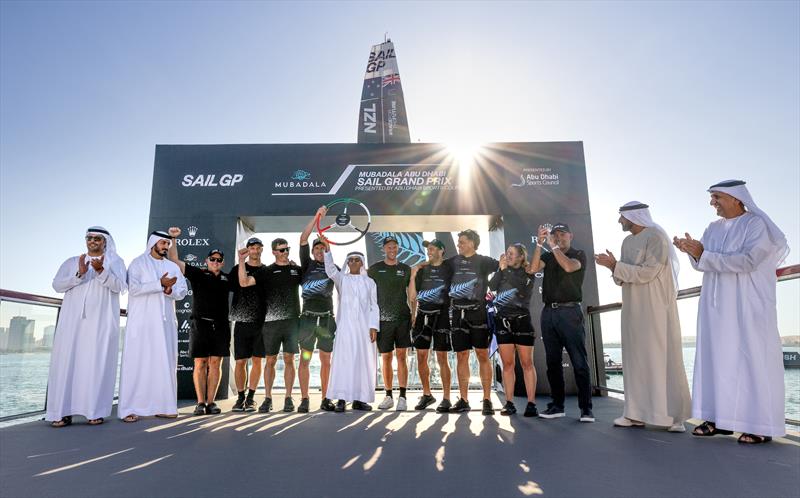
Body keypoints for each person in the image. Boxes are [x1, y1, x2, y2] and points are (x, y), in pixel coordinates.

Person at [674, 180, 788, 444]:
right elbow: (702, 263)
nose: (712, 203)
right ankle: (720, 419)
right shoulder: (712, 228)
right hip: (716, 306)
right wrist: (693, 252)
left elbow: (750, 260)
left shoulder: (756, 225)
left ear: (736, 199)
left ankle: (760, 425)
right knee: (718, 358)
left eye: (717, 197)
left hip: (748, 304)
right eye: (712, 198)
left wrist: (704, 254)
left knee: (753, 359)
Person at [595, 203, 691, 432]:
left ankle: (674, 416)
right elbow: (622, 276)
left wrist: (616, 265)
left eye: (622, 217)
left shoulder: (656, 237)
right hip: (632, 308)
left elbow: (649, 272)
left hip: (656, 307)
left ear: (633, 217)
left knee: (662, 356)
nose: (619, 221)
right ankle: (635, 414)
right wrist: (613, 268)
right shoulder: (627, 242)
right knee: (635, 358)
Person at [46, 227, 127, 427]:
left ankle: (94, 411)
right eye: (89, 238)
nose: (92, 241)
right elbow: (57, 285)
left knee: (95, 363)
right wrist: (78, 274)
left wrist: (101, 271)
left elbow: (121, 287)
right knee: (67, 363)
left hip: (101, 322)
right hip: (71, 323)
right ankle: (61, 412)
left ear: (105, 241)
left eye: (97, 238)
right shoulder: (72, 261)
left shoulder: (115, 262)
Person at [118, 231, 188, 422]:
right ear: (153, 243)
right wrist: (159, 283)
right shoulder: (138, 263)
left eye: (168, 243)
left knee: (164, 363)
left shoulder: (171, 266)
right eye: (163, 243)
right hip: (142, 323)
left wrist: (169, 289)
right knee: (137, 363)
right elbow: (133, 288)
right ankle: (129, 409)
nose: (166, 246)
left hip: (165, 324)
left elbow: (181, 291)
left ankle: (164, 406)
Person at [530, 223, 594, 422]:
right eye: (555, 234)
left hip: (570, 312)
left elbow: (568, 266)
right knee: (552, 363)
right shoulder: (548, 256)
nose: (558, 237)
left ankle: (586, 409)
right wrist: (540, 245)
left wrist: (554, 247)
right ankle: (557, 406)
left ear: (570, 235)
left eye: (562, 234)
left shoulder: (578, 254)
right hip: (549, 313)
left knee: (579, 362)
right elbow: (532, 269)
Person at [168, 227, 231, 416]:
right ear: (207, 261)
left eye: (219, 260)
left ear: (222, 263)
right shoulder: (197, 273)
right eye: (212, 259)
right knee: (201, 363)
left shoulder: (227, 279)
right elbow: (174, 262)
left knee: (215, 363)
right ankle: (200, 403)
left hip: (220, 325)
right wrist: (173, 238)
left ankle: (211, 402)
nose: (215, 262)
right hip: (200, 325)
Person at [240, 238, 301, 413]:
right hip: (271, 323)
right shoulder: (266, 271)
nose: (285, 253)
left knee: (289, 360)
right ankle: (267, 398)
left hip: (292, 322)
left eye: (287, 249)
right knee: (271, 361)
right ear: (274, 252)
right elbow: (244, 283)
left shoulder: (296, 270)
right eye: (281, 250)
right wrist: (241, 261)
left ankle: (288, 398)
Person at [445, 229, 499, 415]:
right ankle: (464, 400)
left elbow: (504, 268)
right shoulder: (452, 262)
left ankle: (487, 400)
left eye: (462, 241)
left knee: (482, 355)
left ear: (472, 243)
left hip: (478, 313)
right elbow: (436, 267)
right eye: (459, 241)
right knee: (461, 356)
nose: (458, 244)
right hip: (458, 314)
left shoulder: (484, 261)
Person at [323, 241, 379, 412]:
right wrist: (327, 251)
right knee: (343, 362)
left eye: (357, 260)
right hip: (345, 329)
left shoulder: (370, 282)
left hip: (364, 330)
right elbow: (331, 270)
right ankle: (341, 399)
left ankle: (359, 399)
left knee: (363, 363)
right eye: (351, 260)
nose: (354, 262)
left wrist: (373, 327)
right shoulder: (342, 279)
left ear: (362, 263)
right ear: (347, 263)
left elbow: (373, 306)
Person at [489, 243, 538, 417]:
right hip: (503, 322)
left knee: (527, 364)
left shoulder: (528, 272)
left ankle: (531, 403)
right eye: (506, 253)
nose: (507, 256)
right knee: (508, 365)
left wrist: (505, 271)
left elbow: (521, 289)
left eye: (511, 254)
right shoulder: (503, 271)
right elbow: (492, 285)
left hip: (522, 322)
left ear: (520, 257)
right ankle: (509, 403)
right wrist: (500, 270)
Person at [298, 206, 338, 412]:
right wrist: (317, 217)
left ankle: (326, 398)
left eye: (323, 248)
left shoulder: (333, 268)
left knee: (326, 360)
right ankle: (304, 399)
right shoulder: (306, 265)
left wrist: (328, 242)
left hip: (326, 320)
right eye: (317, 249)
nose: (320, 251)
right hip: (307, 321)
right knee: (305, 359)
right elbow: (303, 238)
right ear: (313, 251)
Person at [368, 236, 412, 411]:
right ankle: (388, 396)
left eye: (394, 246)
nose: (392, 249)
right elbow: (361, 281)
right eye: (389, 247)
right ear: (384, 249)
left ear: (398, 248)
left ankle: (402, 397)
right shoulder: (375, 269)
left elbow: (412, 293)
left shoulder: (405, 269)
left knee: (402, 357)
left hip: (402, 318)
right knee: (386, 357)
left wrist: (414, 314)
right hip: (382, 321)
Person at [409, 239, 453, 412]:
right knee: (421, 356)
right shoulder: (421, 270)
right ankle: (427, 395)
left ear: (442, 250)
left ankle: (447, 398)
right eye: (428, 248)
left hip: (442, 315)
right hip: (422, 315)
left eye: (433, 248)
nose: (429, 250)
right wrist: (413, 275)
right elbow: (412, 297)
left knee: (442, 357)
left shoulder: (450, 268)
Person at [229, 237, 267, 412]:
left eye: (258, 247)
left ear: (262, 250)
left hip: (261, 322)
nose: (255, 250)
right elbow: (234, 285)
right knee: (240, 362)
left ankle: (251, 398)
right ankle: (240, 398)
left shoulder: (266, 271)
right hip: (242, 321)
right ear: (248, 250)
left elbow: (245, 283)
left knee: (257, 361)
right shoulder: (237, 269)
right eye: (252, 247)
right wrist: (241, 262)